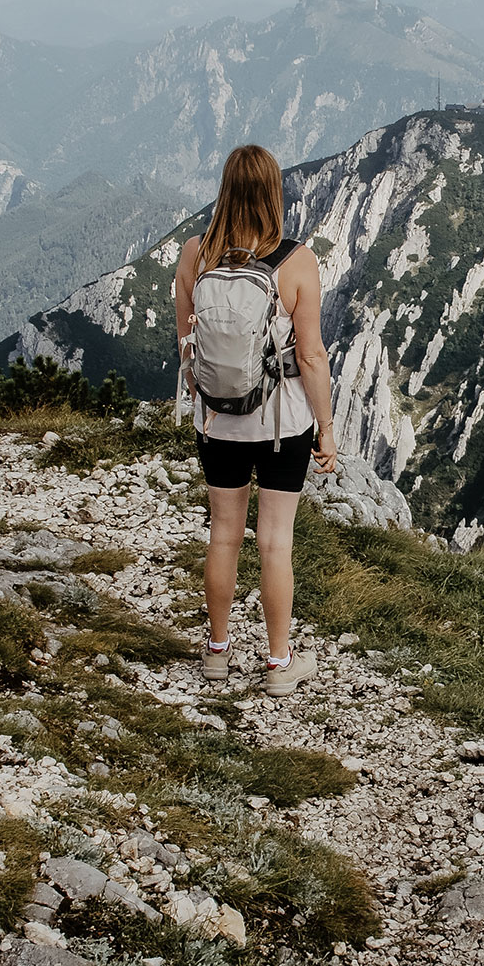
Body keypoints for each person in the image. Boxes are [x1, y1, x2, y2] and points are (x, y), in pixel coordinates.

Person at [174, 145, 337, 696]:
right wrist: (327, 429)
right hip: (280, 425)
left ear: (224, 190)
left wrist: (206, 399)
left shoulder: (195, 254)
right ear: (274, 192)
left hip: (217, 421)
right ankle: (277, 664)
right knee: (274, 542)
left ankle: (217, 654)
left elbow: (186, 342)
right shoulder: (296, 262)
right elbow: (311, 355)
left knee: (223, 535)